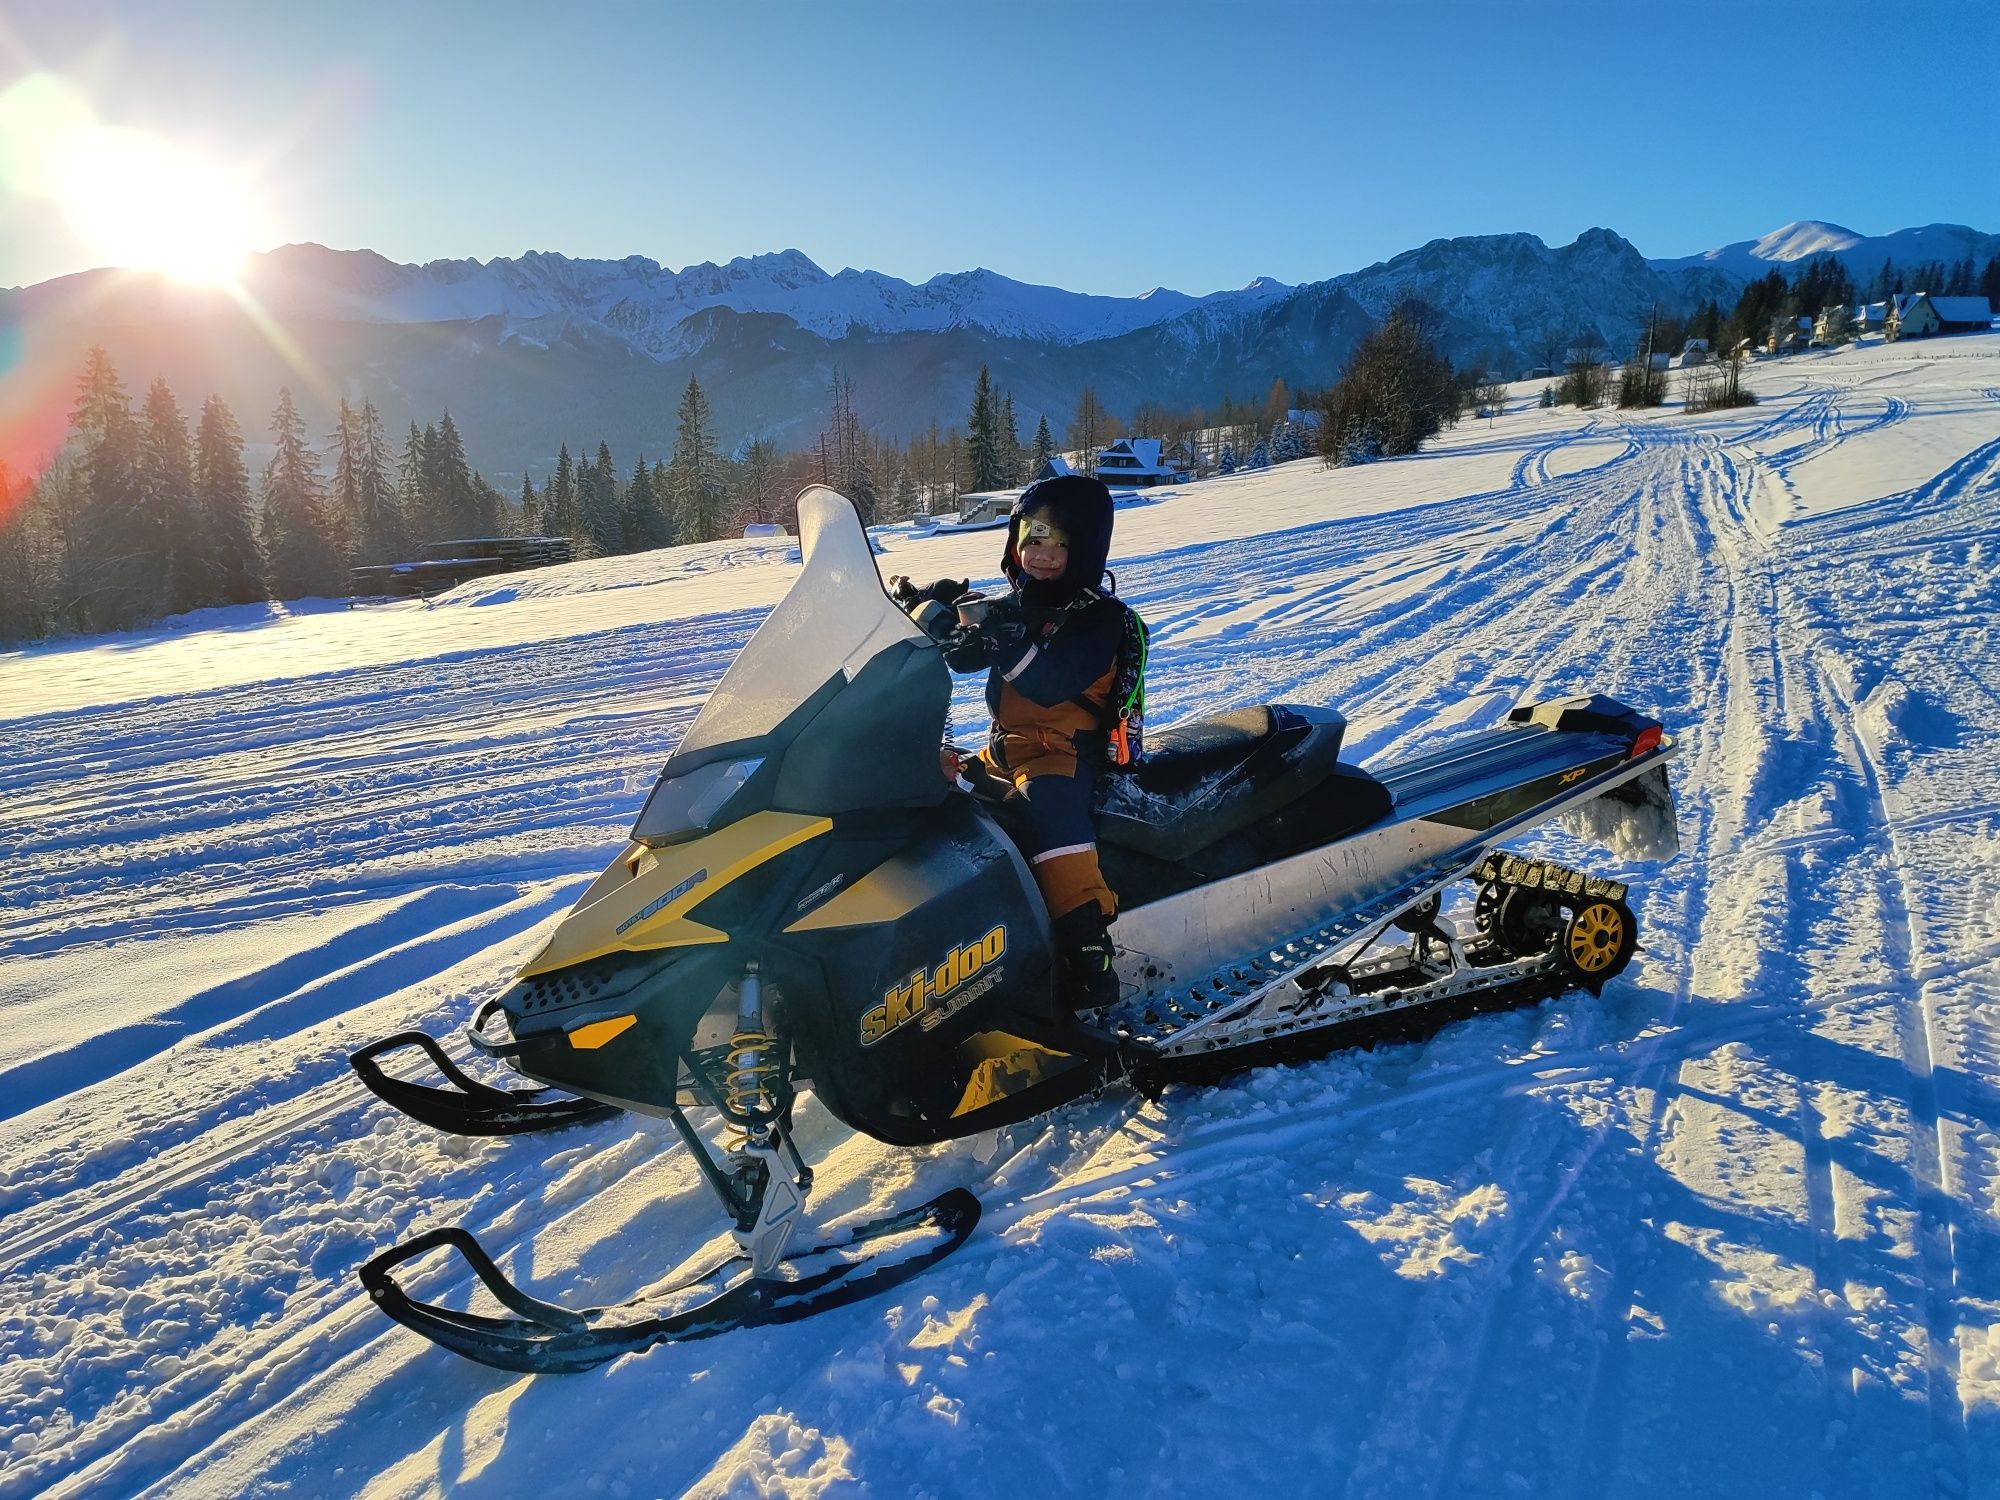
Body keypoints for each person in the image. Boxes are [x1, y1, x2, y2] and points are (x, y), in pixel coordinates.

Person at [892, 475, 1138, 1010]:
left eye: (1061, 545)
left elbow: (1050, 683)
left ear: (1087, 550)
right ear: (1014, 540)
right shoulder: (1017, 604)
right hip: (1007, 750)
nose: (1043, 556)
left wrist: (1008, 642)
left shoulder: (1101, 618)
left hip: (1065, 754)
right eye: (1034, 539)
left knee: (1045, 812)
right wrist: (930, 612)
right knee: (931, 790)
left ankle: (1088, 948)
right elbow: (965, 655)